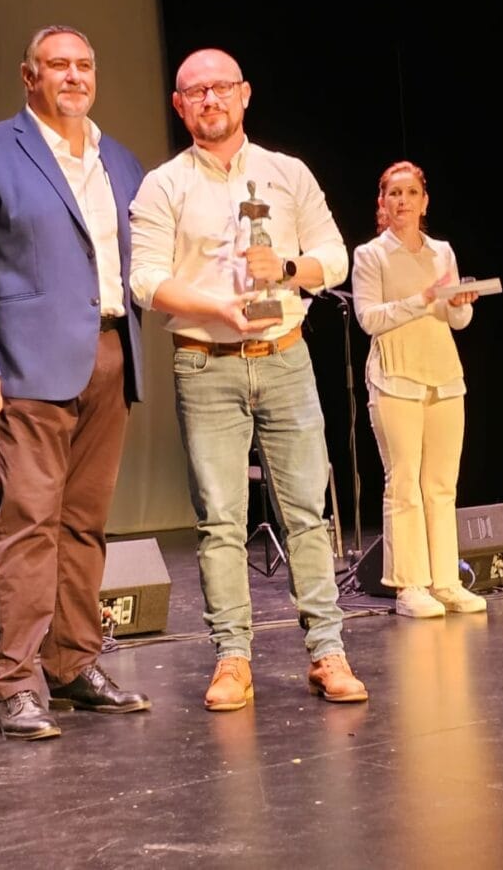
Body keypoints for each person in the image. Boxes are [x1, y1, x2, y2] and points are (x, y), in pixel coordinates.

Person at [129, 47, 368, 711]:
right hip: (205, 364)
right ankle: (233, 659)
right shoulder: (164, 184)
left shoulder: (286, 173)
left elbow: (335, 258)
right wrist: (215, 306)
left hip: (285, 356)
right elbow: (145, 279)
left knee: (308, 517)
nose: (210, 100)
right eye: (195, 92)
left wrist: (288, 270)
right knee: (221, 522)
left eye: (221, 88)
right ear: (179, 106)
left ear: (244, 94)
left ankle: (328, 652)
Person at [0, 25, 150, 740]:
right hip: (25, 367)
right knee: (27, 523)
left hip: (111, 355)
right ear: (28, 76)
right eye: (57, 65)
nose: (73, 76)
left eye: (84, 64)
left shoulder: (119, 158)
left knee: (84, 524)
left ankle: (72, 663)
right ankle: (15, 678)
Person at [350, 160, 487, 619]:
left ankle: (446, 580)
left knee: (442, 485)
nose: (403, 201)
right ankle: (410, 585)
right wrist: (423, 299)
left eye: (411, 193)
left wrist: (459, 304)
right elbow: (369, 318)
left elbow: (456, 320)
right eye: (394, 194)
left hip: (444, 374)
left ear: (424, 201)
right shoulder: (371, 255)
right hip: (395, 378)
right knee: (404, 482)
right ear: (382, 204)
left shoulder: (441, 252)